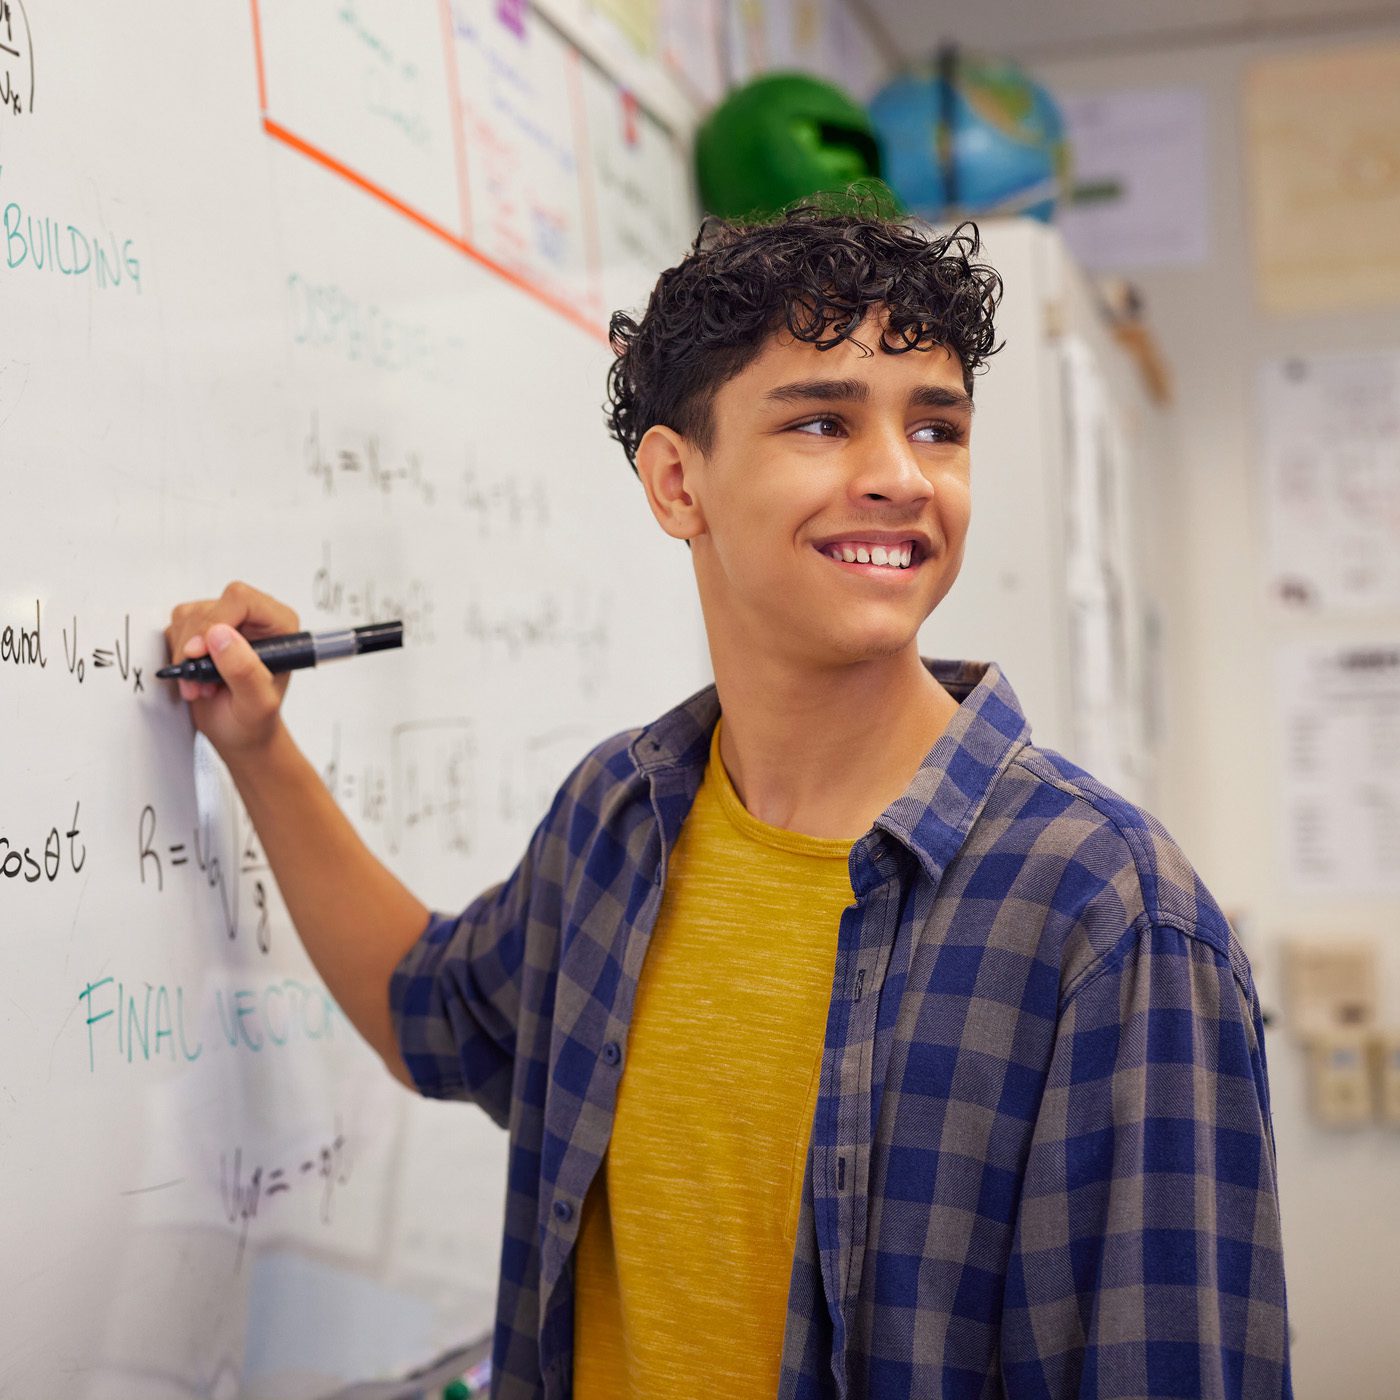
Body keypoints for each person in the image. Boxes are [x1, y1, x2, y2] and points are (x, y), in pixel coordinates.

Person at [165, 199, 1291, 1400]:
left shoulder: (1107, 918)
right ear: (675, 480)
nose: (901, 477)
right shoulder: (619, 818)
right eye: (821, 420)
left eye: (937, 427)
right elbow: (428, 1010)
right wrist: (258, 748)